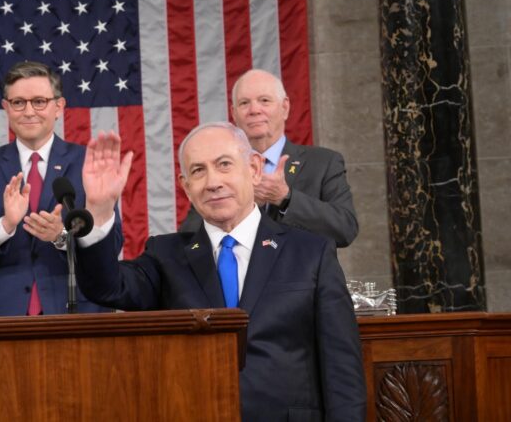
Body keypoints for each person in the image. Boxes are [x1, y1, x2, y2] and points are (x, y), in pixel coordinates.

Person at [75, 123, 366, 421]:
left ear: (253, 169)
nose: (213, 182)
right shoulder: (166, 255)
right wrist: (99, 212)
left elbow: (342, 368)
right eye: (198, 171)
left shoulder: (311, 253)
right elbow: (107, 287)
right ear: (186, 187)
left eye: (224, 164)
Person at [0, 61, 121, 316]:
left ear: (58, 107)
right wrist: (5, 225)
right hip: (0, 316)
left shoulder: (88, 164)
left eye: (39, 101)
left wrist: (61, 237)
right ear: (6, 108)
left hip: (76, 310)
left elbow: (112, 245)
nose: (29, 111)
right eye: (18, 102)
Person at [180, 69, 358, 247]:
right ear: (234, 113)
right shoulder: (216, 170)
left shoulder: (323, 162)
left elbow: (345, 229)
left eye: (264, 101)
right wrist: (241, 203)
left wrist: (286, 198)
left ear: (285, 107)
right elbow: (188, 240)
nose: (254, 110)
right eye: (244, 103)